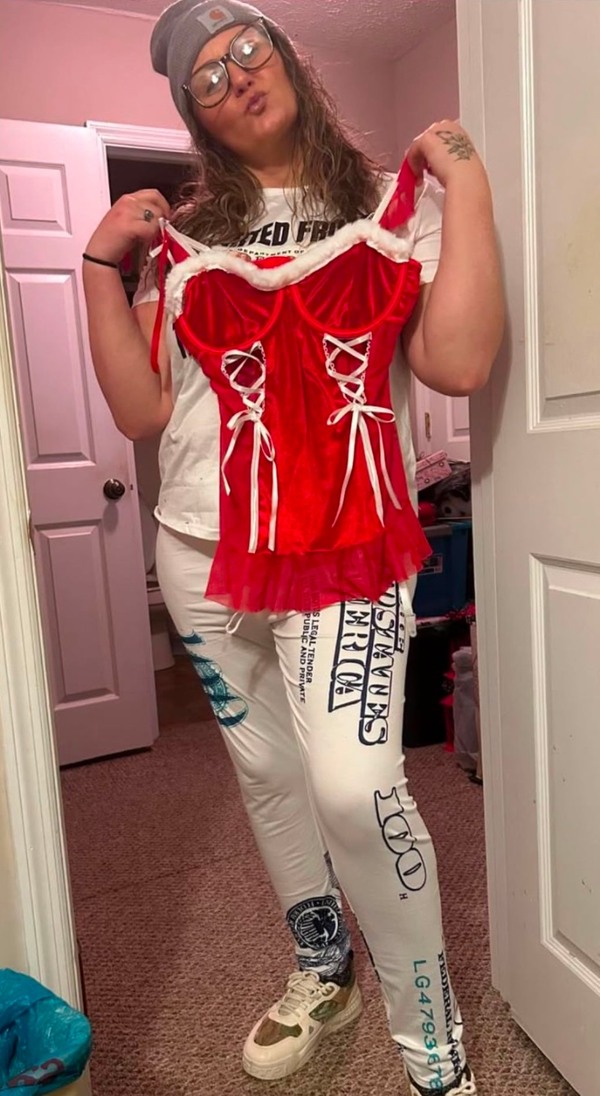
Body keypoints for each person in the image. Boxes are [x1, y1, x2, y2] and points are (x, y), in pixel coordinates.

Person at [82, 3, 504, 1093]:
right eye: (205, 79)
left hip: (342, 548)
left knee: (356, 787)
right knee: (269, 776)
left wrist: (468, 185)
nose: (233, 76)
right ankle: (324, 968)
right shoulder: (187, 239)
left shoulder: (389, 206)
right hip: (198, 548)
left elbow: (458, 364)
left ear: (286, 56)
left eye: (245, 48)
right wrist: (96, 267)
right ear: (196, 118)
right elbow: (143, 411)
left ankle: (436, 1055)